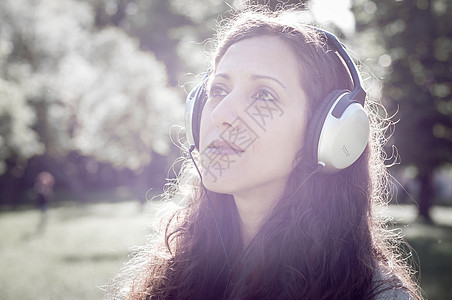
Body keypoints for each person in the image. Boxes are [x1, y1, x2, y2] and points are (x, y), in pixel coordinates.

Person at [108, 7, 423, 300]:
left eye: (264, 95)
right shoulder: (173, 272)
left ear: (324, 134)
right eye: (218, 90)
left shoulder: (376, 295)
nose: (222, 114)